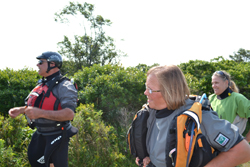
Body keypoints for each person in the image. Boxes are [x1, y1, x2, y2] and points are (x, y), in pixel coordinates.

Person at [135, 65, 250, 167]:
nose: (145, 92)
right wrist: (148, 158)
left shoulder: (198, 118)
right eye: (146, 87)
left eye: (150, 90)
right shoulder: (151, 114)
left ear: (169, 91)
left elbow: (244, 151)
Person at [8, 51, 78, 167]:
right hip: (41, 135)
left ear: (53, 64)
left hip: (57, 135)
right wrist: (21, 110)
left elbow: (69, 114)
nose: (37, 65)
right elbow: (39, 106)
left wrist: (40, 113)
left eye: (41, 62)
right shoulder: (41, 85)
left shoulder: (65, 86)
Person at [209, 70, 250, 142]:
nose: (213, 86)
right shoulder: (211, 98)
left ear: (226, 83)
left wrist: (246, 140)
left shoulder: (238, 99)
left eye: (216, 83)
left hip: (233, 145)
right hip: (213, 146)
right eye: (212, 83)